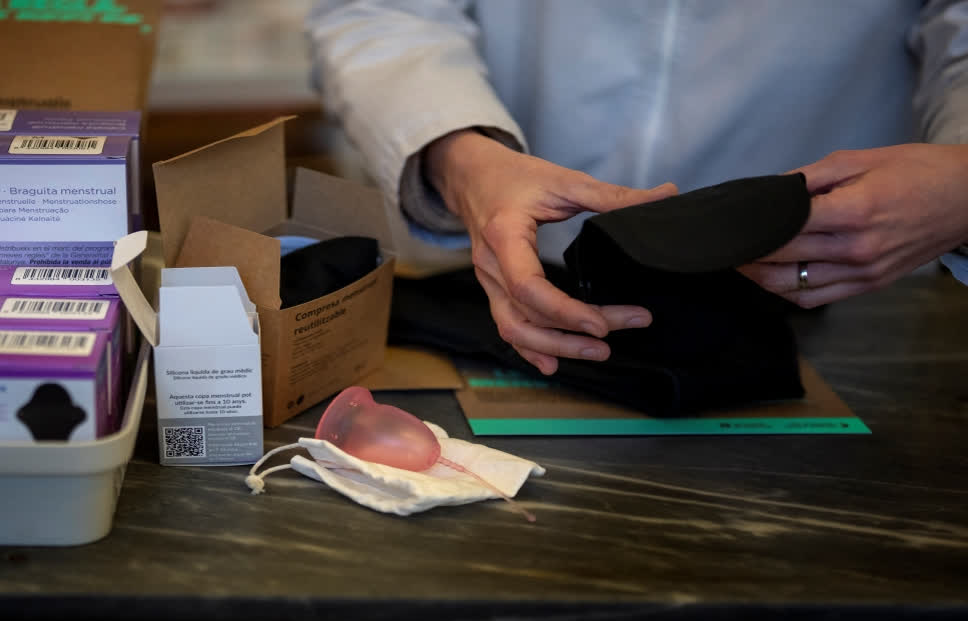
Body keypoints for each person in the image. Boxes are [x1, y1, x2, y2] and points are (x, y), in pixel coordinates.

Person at [305, 1, 968, 375]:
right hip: (508, 297)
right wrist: (465, 161)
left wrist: (961, 179)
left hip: (855, 311)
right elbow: (380, 14)